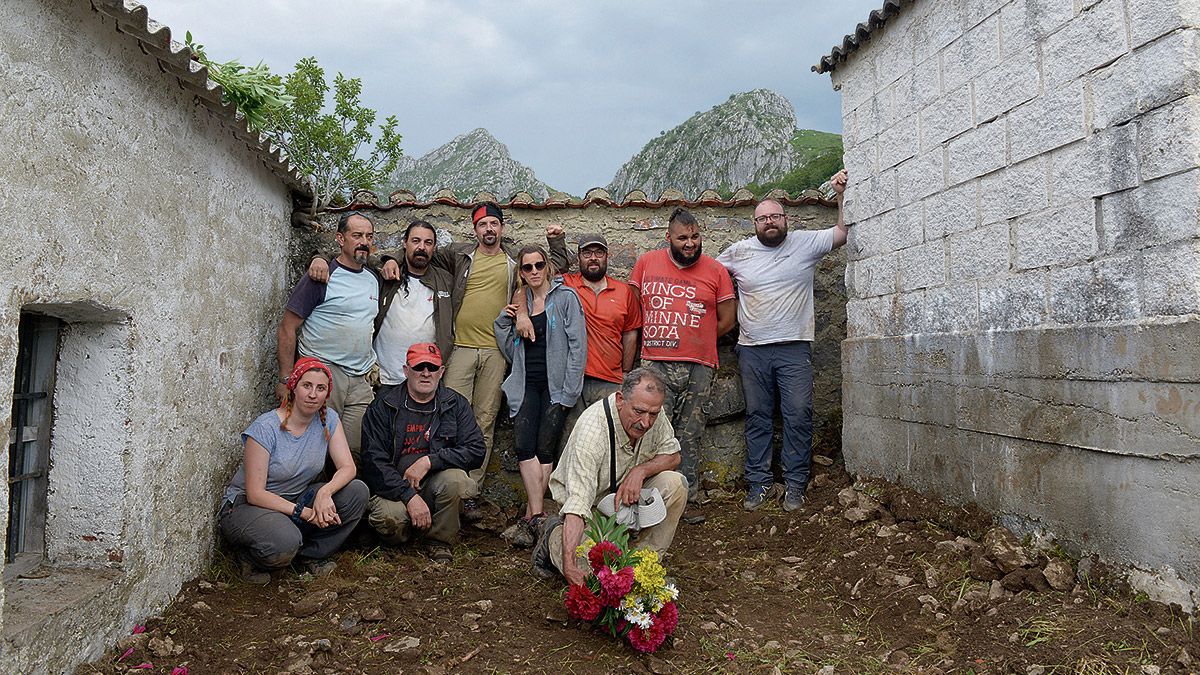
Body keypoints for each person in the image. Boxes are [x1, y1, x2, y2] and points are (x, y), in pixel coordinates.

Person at [396, 202, 568, 521]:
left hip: (496, 352)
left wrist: (556, 241)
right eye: (482, 225)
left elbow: (554, 265)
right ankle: (447, 486)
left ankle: (470, 492)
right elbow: (418, 253)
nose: (489, 229)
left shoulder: (514, 260)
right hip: (459, 348)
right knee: (447, 421)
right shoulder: (459, 255)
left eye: (494, 224)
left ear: (502, 228)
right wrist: (389, 259)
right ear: (474, 230)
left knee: (483, 421)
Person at [715, 170, 850, 512]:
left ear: (785, 219)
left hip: (794, 348)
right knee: (759, 416)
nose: (769, 222)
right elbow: (708, 276)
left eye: (775, 216)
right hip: (752, 350)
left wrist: (839, 195)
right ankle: (758, 483)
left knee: (798, 414)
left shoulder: (805, 243)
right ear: (754, 224)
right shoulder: (738, 252)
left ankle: (794, 484)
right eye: (762, 218)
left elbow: (842, 232)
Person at [219, 357, 369, 584]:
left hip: (297, 498)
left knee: (356, 492)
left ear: (327, 394)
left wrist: (324, 493)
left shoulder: (328, 419)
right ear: (294, 387)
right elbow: (255, 493)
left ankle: (309, 555)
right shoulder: (266, 427)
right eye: (306, 386)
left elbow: (348, 467)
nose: (312, 394)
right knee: (285, 541)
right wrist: (306, 513)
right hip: (248, 507)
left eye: (321, 388)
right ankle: (251, 557)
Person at [530, 368, 686, 585]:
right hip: (590, 513)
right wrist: (569, 566)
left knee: (676, 484)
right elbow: (578, 507)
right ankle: (552, 535)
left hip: (626, 502)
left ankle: (642, 565)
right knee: (593, 575)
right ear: (621, 400)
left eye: (653, 414)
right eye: (639, 412)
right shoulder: (592, 432)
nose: (646, 422)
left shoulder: (651, 413)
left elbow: (673, 455)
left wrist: (640, 471)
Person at [628, 208, 735, 502]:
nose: (690, 243)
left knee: (689, 435)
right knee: (648, 432)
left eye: (695, 236)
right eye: (683, 238)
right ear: (668, 238)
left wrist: (696, 337)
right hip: (655, 363)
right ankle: (645, 500)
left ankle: (684, 500)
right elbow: (633, 309)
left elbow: (728, 319)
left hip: (699, 366)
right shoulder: (647, 263)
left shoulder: (716, 271)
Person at [494, 245, 587, 547]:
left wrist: (570, 391)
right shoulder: (521, 304)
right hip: (526, 384)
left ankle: (532, 517)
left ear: (547, 267)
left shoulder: (565, 299)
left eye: (538, 265)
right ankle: (537, 514)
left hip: (556, 385)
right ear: (520, 273)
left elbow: (578, 346)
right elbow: (510, 349)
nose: (533, 271)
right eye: (526, 267)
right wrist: (505, 321)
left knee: (545, 449)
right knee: (524, 447)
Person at [359, 343, 486, 562]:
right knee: (390, 518)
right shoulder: (383, 405)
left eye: (432, 367)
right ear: (406, 370)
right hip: (393, 488)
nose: (426, 373)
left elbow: (476, 450)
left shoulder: (455, 404)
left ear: (442, 372)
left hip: (433, 484)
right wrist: (408, 496)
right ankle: (401, 540)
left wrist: (430, 461)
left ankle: (439, 541)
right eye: (419, 367)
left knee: (458, 481)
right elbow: (373, 462)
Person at [515, 233, 641, 445]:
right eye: (587, 253)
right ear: (579, 258)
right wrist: (521, 315)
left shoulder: (624, 291)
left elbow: (630, 333)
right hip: (573, 381)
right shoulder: (565, 284)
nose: (593, 258)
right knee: (569, 444)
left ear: (606, 256)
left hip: (609, 382)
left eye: (598, 252)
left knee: (608, 444)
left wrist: (625, 373)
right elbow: (527, 286)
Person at [278, 211, 380, 462]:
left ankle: (343, 500)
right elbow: (287, 327)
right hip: (322, 374)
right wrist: (285, 378)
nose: (363, 242)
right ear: (340, 238)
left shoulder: (373, 279)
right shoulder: (320, 277)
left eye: (368, 236)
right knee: (314, 448)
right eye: (356, 235)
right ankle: (311, 499)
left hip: (359, 379)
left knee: (354, 450)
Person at [372, 220, 455, 392]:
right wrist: (318, 257)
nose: (422, 247)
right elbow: (350, 257)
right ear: (404, 243)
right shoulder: (385, 275)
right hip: (385, 378)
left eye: (428, 242)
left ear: (434, 247)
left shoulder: (446, 280)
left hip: (425, 379)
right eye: (416, 241)